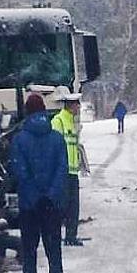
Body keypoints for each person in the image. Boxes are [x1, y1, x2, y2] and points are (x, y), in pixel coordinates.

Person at [10, 94, 67, 273]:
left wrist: (34, 196)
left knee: (29, 255)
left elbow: (19, 171)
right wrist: (50, 195)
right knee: (54, 256)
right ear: (43, 110)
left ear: (27, 112)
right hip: (52, 206)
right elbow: (62, 169)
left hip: (29, 207)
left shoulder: (19, 139)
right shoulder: (57, 138)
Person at [51, 90, 84, 246]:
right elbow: (55, 147)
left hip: (72, 171)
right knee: (61, 206)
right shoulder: (59, 121)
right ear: (71, 105)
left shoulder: (72, 121)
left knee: (73, 206)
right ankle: (57, 235)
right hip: (62, 172)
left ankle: (71, 235)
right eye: (77, 104)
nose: (79, 107)